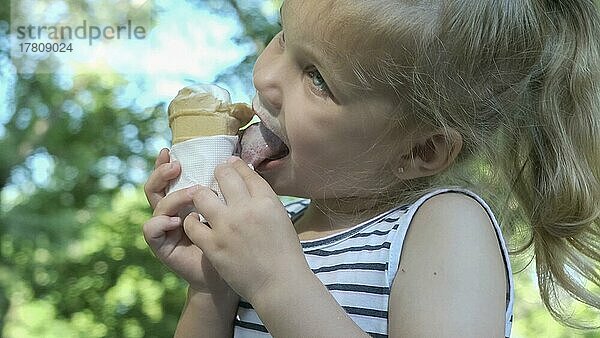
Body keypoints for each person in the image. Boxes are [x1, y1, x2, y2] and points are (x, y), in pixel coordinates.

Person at [142, 0, 600, 336]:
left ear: (420, 151)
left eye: (317, 77)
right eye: (283, 35)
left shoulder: (446, 225)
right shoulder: (276, 234)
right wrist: (212, 287)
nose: (265, 77)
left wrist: (274, 281)